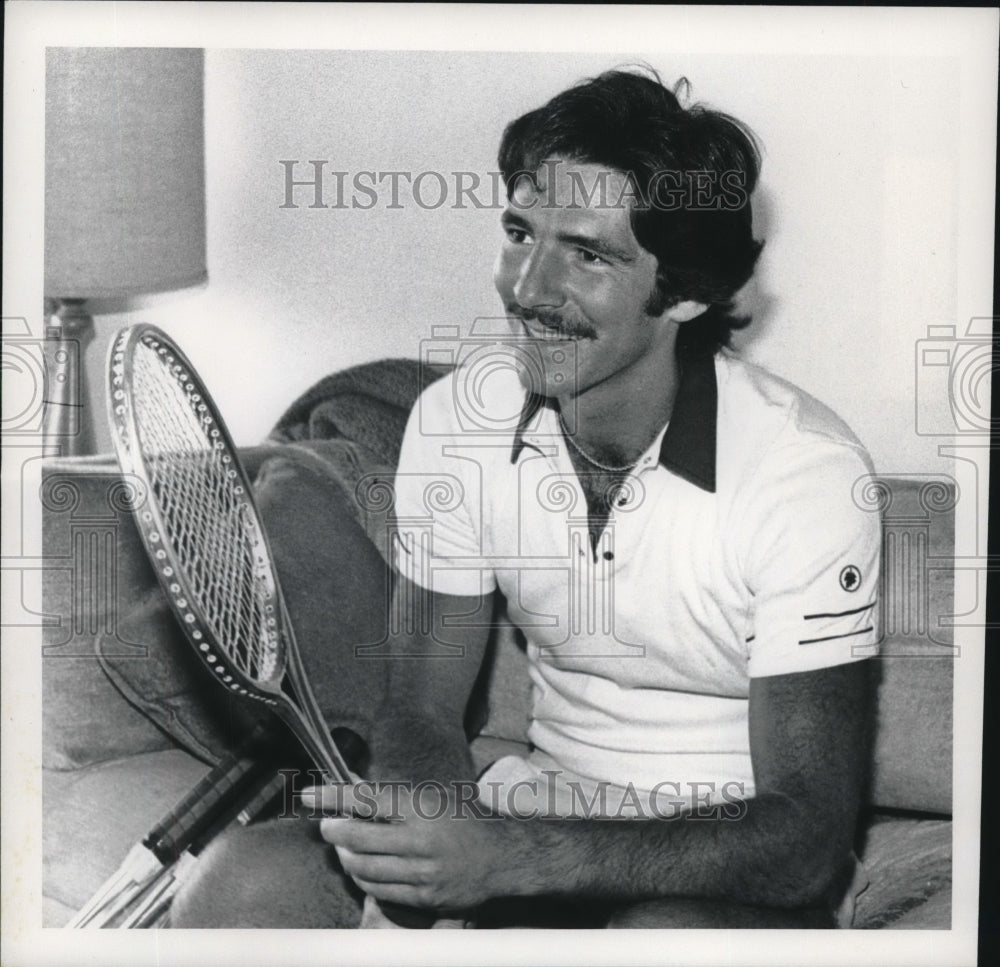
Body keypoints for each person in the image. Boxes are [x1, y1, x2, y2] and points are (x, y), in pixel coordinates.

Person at [171, 67, 880, 930]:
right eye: (519, 233)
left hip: (722, 860)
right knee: (242, 880)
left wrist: (507, 857)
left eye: (587, 254)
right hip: (540, 806)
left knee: (659, 937)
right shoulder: (457, 420)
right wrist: (428, 832)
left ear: (686, 291)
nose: (528, 288)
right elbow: (421, 705)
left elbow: (804, 838)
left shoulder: (805, 473)